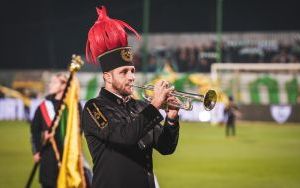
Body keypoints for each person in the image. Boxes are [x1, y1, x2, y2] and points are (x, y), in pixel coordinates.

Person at [82, 6, 180, 188]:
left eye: (132, 71)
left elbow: (166, 148)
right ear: (107, 76)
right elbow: (124, 136)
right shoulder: (94, 108)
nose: (131, 76)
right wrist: (155, 105)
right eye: (124, 72)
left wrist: (172, 119)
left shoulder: (141, 107)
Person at [30, 73, 68, 187]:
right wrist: (36, 150)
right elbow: (34, 131)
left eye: (54, 82)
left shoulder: (72, 106)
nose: (50, 85)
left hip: (68, 155)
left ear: (63, 85)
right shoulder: (43, 106)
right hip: (48, 156)